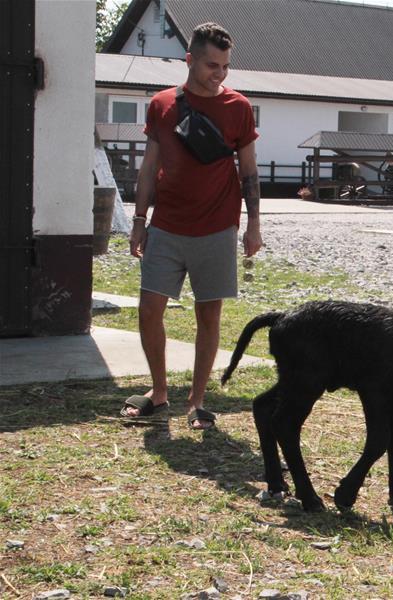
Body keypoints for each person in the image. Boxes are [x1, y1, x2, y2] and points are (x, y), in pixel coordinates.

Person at [121, 22, 263, 429]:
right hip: (165, 225)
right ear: (190, 60)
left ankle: (197, 401)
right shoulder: (162, 104)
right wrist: (138, 220)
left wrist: (253, 225)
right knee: (149, 310)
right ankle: (159, 391)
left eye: (225, 67)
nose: (219, 74)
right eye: (211, 65)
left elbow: (249, 172)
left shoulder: (238, 107)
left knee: (209, 315)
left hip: (217, 227)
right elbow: (149, 168)